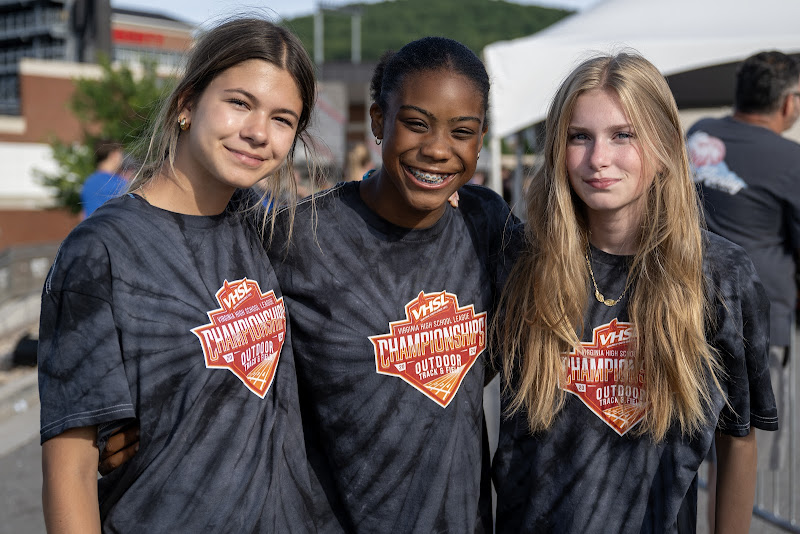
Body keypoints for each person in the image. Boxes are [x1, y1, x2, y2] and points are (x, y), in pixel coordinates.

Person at [38, 17, 319, 532]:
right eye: (239, 103)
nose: (258, 132)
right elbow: (71, 470)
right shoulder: (103, 250)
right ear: (188, 103)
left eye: (283, 119)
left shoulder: (269, 227)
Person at [492, 52, 778, 533]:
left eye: (623, 135)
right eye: (578, 136)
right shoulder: (518, 261)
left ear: (665, 143)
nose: (598, 158)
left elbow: (738, 437)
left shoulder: (720, 277)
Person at [267, 36, 512, 532]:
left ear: (480, 139)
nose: (438, 150)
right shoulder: (299, 237)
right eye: (416, 124)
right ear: (379, 122)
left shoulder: (486, 223)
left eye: (461, 131)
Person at [687, 52, 800, 521]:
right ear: (789, 104)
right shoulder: (791, 158)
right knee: (742, 451)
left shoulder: (700, 133)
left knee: (690, 447)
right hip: (758, 320)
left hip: (683, 312)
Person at [80, 139, 126, 217]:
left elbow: (83, 214)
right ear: (114, 155)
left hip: (91, 227)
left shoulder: (88, 182)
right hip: (111, 228)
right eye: (121, 154)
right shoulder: (118, 183)